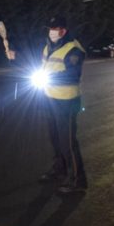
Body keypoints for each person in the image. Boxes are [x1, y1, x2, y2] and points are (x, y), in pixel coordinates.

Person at [36, 15, 88, 195]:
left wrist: (47, 78)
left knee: (68, 141)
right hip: (49, 98)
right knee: (55, 138)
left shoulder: (73, 49)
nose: (51, 32)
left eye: (55, 28)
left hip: (67, 101)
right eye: (50, 28)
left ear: (63, 30)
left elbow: (72, 75)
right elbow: (43, 68)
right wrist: (16, 56)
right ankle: (60, 169)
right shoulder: (48, 47)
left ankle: (78, 180)